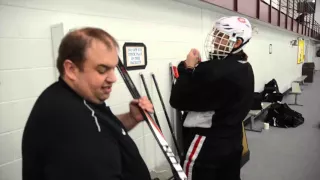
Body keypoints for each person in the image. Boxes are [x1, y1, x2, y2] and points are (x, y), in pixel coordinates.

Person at [22, 27, 154, 180]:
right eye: (102, 69)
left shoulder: (76, 97)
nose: (113, 78)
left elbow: (101, 127)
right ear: (71, 69)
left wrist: (131, 118)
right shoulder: (70, 125)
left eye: (113, 69)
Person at [170, 16, 255, 180]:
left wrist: (187, 68)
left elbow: (177, 100)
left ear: (236, 42)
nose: (215, 40)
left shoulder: (211, 71)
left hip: (206, 144)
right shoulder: (245, 66)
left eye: (220, 36)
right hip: (233, 141)